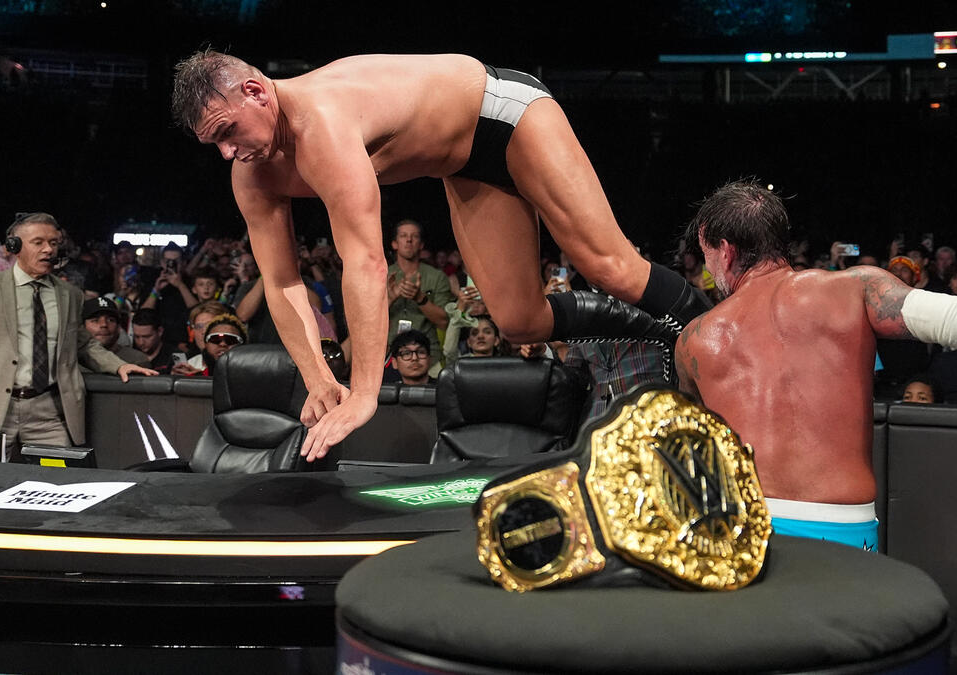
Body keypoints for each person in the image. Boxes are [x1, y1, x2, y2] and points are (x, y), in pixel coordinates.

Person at [171, 50, 706, 460]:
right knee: (520, 321)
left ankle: (715, 325)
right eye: (213, 144)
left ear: (256, 92)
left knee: (609, 267)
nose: (228, 152)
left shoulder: (322, 124)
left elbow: (366, 264)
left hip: (506, 113)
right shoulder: (251, 175)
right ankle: (658, 330)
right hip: (465, 165)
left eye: (228, 131)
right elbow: (281, 281)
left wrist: (364, 393)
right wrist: (318, 379)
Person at [675, 180, 957, 551]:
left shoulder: (696, 339)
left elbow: (691, 449)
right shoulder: (851, 289)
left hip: (738, 525)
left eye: (707, 256)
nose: (709, 270)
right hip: (836, 524)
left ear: (724, 250)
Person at [0, 213, 156, 457]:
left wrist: (118, 365)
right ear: (14, 246)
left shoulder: (70, 294)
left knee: (56, 477)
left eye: (53, 242)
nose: (48, 249)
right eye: (38, 242)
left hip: (49, 410)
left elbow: (82, 343)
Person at [386, 219, 454, 372]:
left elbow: (444, 322)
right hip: (391, 356)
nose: (409, 240)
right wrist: (390, 299)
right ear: (394, 244)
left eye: (414, 236)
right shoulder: (382, 276)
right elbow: (367, 321)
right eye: (403, 236)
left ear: (421, 245)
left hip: (428, 357)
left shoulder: (437, 277)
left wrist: (420, 299)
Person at [80, 297, 152, 369]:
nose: (104, 324)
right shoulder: (76, 357)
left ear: (119, 327)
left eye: (111, 320)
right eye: (95, 320)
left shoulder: (136, 359)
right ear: (82, 326)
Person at [174, 313, 247, 376]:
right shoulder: (192, 378)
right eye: (215, 339)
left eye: (231, 340)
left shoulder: (252, 379)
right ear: (206, 344)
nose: (222, 344)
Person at [130, 307, 180, 371]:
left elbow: (183, 375)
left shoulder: (177, 355)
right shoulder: (129, 356)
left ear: (160, 331)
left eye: (147, 337)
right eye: (137, 336)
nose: (141, 342)